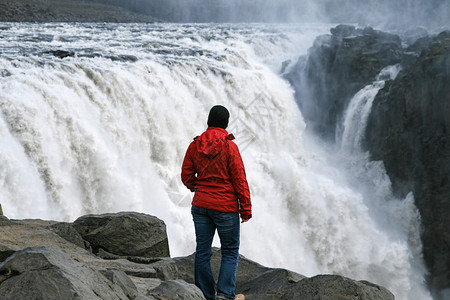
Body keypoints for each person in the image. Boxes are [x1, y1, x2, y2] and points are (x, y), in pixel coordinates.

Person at [181, 105, 252, 300]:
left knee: (202, 251)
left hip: (201, 206)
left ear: (208, 121)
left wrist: (198, 188)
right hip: (225, 208)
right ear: (226, 124)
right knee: (229, 252)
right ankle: (224, 295)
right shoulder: (230, 147)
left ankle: (205, 294)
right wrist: (245, 208)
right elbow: (239, 179)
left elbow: (186, 175)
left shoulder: (195, 145)